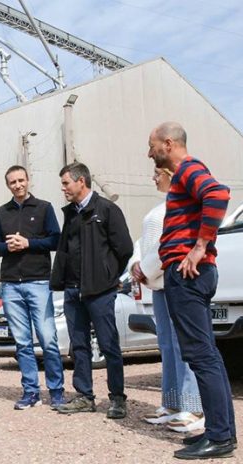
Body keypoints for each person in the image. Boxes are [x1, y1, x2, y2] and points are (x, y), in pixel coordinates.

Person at [147, 122, 236, 460]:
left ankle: (220, 437)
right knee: (207, 355)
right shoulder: (185, 174)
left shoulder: (187, 168)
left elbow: (218, 194)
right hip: (188, 275)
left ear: (168, 144)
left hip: (188, 275)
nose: (149, 153)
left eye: (152, 145)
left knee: (201, 356)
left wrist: (199, 247)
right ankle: (221, 431)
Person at [50, 162, 133, 419]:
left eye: (66, 183)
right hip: (73, 291)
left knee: (108, 345)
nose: (63, 188)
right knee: (79, 345)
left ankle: (117, 398)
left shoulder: (107, 210)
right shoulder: (71, 213)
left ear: (81, 181)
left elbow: (125, 249)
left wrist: (109, 276)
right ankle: (84, 396)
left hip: (100, 291)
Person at [129, 167, 204, 432]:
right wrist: (135, 263)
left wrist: (145, 269)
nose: (153, 178)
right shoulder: (161, 206)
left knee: (183, 345)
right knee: (167, 345)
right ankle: (172, 404)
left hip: (174, 281)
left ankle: (193, 407)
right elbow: (143, 242)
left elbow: (168, 245)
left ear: (170, 174)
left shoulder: (180, 206)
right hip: (158, 285)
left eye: (157, 173)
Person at [0, 166, 64, 410]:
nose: (18, 185)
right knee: (22, 342)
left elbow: (56, 240)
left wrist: (28, 243)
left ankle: (56, 391)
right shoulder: (2, 212)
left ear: (28, 180)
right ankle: (31, 392)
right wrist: (7, 247)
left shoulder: (44, 208)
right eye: (13, 182)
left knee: (48, 338)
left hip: (38, 282)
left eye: (21, 180)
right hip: (11, 284)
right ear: (7, 185)